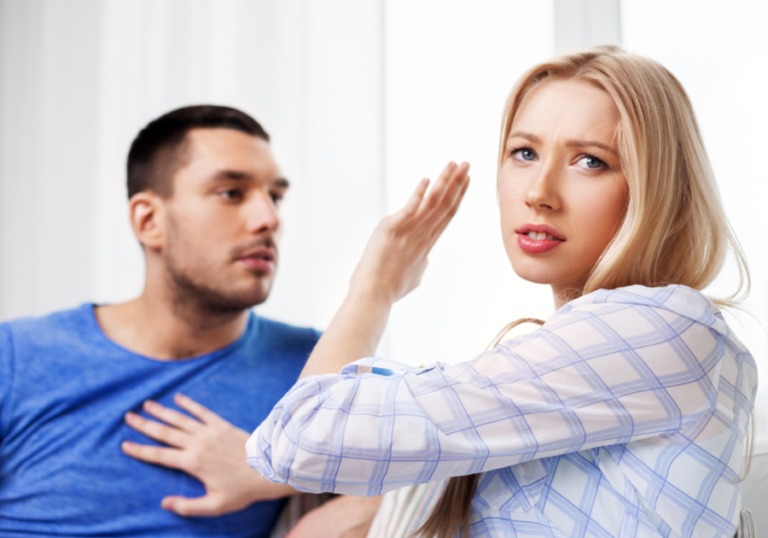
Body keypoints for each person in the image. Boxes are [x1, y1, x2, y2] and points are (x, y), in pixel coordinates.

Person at [247, 47, 758, 537]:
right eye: (524, 153)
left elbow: (304, 437)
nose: (538, 192)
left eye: (590, 161)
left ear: (656, 186)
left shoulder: (661, 327)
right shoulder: (588, 356)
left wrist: (373, 287)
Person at [0, 105, 380, 538]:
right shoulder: (16, 356)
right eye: (230, 193)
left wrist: (273, 471)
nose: (269, 219)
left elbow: (434, 468)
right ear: (150, 221)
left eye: (274, 196)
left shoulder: (315, 366)